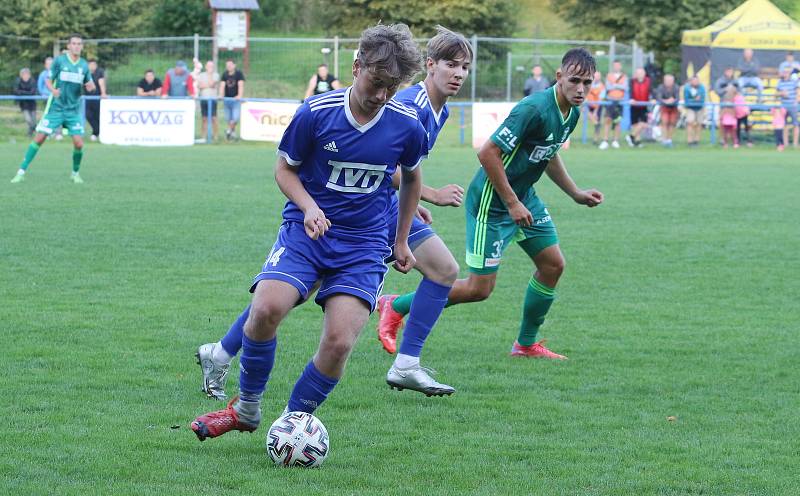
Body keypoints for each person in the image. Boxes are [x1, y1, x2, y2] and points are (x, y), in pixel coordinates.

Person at [195, 26, 473, 400]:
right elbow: (384, 167)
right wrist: (431, 195)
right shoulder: (412, 105)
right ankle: (405, 359)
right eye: (451, 65)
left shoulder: (429, 109)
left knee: (302, 290)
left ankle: (223, 351)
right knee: (288, 292)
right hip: (365, 210)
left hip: (377, 208)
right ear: (429, 65)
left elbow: (396, 170)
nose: (458, 74)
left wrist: (414, 201)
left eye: (465, 67)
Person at [381, 48, 604, 360]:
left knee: (553, 265)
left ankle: (525, 345)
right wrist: (511, 202)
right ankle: (396, 304)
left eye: (587, 83)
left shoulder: (572, 112)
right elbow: (487, 153)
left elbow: (548, 151)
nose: (580, 89)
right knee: (478, 289)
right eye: (575, 80)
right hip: (493, 202)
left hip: (525, 198)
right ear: (559, 77)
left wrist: (575, 192)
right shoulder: (534, 109)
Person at [10, 34, 95, 184]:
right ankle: (21, 171)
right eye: (74, 43)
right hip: (56, 108)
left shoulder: (83, 65)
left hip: (73, 110)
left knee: (79, 143)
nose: (76, 46)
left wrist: (91, 87)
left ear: (82, 46)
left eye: (79, 44)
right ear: (68, 46)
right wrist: (53, 90)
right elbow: (48, 80)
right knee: (40, 138)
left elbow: (90, 85)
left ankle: (75, 173)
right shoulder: (60, 61)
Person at [599, 60, 626, 149]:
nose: (616, 67)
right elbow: (608, 87)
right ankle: (605, 140)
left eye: (618, 65)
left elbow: (624, 87)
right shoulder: (609, 76)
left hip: (620, 101)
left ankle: (615, 141)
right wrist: (617, 86)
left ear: (620, 66)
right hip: (610, 101)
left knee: (618, 121)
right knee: (608, 120)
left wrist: (615, 85)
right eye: (615, 65)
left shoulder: (624, 77)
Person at [37, 56, 62, 140]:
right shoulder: (43, 74)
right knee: (47, 116)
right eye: (48, 64)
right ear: (45, 65)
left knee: (58, 115)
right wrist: (43, 94)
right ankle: (46, 133)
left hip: (56, 99)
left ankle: (58, 133)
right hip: (46, 99)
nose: (50, 65)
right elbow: (40, 86)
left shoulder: (58, 73)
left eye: (51, 63)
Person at [220, 59, 245, 140]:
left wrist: (239, 95)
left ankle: (228, 131)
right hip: (227, 99)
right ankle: (232, 133)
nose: (228, 67)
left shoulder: (238, 74)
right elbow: (222, 86)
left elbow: (241, 85)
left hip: (236, 100)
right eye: (227, 65)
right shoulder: (224, 74)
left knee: (235, 118)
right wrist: (221, 95)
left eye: (230, 65)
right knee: (228, 118)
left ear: (234, 65)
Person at [196, 60, 220, 141]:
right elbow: (199, 86)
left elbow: (212, 84)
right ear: (205, 67)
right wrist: (207, 85)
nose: (210, 68)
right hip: (204, 99)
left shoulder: (216, 75)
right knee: (204, 119)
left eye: (212, 66)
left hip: (213, 99)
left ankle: (215, 136)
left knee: (214, 118)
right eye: (209, 66)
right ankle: (203, 136)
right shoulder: (201, 75)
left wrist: (209, 76)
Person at [627, 67, 651, 147]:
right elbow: (630, 91)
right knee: (635, 124)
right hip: (634, 105)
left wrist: (653, 98)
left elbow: (652, 91)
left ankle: (631, 136)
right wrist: (631, 99)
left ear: (644, 74)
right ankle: (636, 141)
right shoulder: (632, 81)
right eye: (638, 73)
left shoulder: (649, 81)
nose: (640, 75)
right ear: (636, 74)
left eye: (641, 73)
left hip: (644, 106)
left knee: (643, 123)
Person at [776, 67, 799, 148]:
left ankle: (795, 144)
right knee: (784, 124)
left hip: (792, 105)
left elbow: (798, 92)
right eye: (784, 72)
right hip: (783, 106)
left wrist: (796, 101)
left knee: (795, 124)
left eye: (786, 72)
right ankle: (785, 143)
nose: (785, 73)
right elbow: (776, 94)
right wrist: (781, 93)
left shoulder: (794, 81)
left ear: (789, 73)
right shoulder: (780, 82)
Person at [654, 73, 679, 147]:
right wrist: (666, 101)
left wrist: (672, 101)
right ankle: (664, 139)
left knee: (672, 123)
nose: (669, 82)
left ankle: (669, 139)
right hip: (664, 107)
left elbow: (677, 98)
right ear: (664, 81)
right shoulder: (660, 87)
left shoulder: (676, 87)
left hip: (674, 107)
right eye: (667, 80)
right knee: (664, 122)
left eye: (670, 80)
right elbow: (659, 98)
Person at [84, 59, 107, 141]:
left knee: (98, 116)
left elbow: (101, 83)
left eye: (94, 64)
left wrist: (103, 93)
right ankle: (97, 131)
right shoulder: (85, 73)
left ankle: (96, 133)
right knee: (88, 115)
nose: (93, 66)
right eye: (91, 65)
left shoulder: (99, 72)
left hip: (97, 98)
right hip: (87, 98)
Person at [13, 68, 38, 138]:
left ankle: (29, 134)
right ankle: (32, 133)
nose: (26, 76)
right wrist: (26, 93)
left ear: (29, 75)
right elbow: (16, 91)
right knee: (28, 120)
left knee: (33, 121)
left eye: (27, 74)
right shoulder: (18, 81)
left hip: (32, 104)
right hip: (24, 104)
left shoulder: (32, 81)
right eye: (24, 74)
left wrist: (22, 92)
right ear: (21, 75)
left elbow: (32, 92)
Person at [683, 75, 706, 147]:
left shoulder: (702, 87)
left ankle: (697, 140)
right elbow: (686, 100)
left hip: (700, 107)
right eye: (694, 80)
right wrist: (694, 100)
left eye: (697, 80)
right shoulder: (687, 88)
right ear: (691, 81)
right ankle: (690, 141)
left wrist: (697, 100)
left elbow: (702, 99)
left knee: (699, 124)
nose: (696, 82)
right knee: (690, 122)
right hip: (690, 108)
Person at [585, 70, 605, 144]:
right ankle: (595, 122)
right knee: (583, 109)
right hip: (589, 105)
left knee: (598, 121)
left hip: (597, 106)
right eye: (595, 76)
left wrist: (596, 112)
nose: (596, 78)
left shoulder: (602, 87)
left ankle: (595, 140)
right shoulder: (588, 84)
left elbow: (600, 99)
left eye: (598, 76)